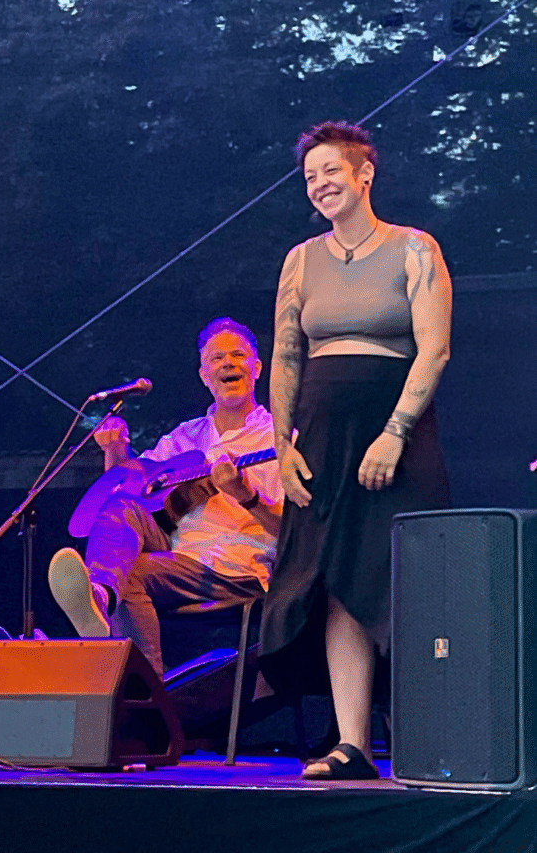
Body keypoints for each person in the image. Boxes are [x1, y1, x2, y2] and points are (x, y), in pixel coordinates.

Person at [259, 121, 451, 780]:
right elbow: (286, 357)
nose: (319, 185)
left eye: (330, 171)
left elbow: (434, 349)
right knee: (333, 579)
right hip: (320, 434)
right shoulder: (300, 260)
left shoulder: (413, 248)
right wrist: (281, 446)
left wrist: (395, 432)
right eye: (309, 177)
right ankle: (351, 745)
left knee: (401, 577)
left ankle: (428, 736)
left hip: (394, 429)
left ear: (364, 174)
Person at [48, 318, 283, 679]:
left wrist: (245, 495)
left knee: (128, 574)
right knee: (120, 517)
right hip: (178, 553)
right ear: (204, 375)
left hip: (237, 566)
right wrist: (115, 450)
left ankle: (143, 699)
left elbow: (293, 533)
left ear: (257, 368)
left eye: (238, 355)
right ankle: (100, 596)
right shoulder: (186, 436)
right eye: (217, 358)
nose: (228, 363)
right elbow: (129, 486)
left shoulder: (278, 439)